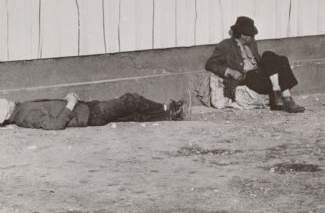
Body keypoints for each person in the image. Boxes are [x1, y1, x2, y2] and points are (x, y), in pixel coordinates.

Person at [205, 16, 305, 113]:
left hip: (259, 76)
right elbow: (210, 64)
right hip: (247, 78)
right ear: (243, 36)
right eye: (252, 35)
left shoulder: (251, 44)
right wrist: (230, 71)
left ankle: (277, 91)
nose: (253, 37)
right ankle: (287, 99)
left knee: (275, 57)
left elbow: (260, 61)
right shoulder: (226, 45)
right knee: (273, 60)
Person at [0, 92, 186, 130]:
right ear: (5, 113)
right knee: (131, 100)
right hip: (89, 114)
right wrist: (71, 104)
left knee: (133, 115)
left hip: (87, 109)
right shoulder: (24, 115)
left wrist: (68, 100)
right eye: (3, 103)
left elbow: (50, 110)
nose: (6, 100)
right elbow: (54, 124)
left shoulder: (21, 108)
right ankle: (166, 109)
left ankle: (169, 116)